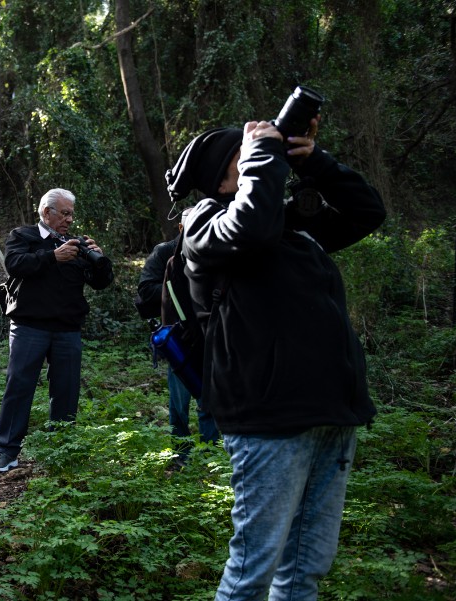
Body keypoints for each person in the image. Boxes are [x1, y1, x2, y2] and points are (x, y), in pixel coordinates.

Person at [165, 117, 385, 600]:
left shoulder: (290, 227)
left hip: (329, 413)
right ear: (224, 179)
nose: (268, 161)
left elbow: (367, 211)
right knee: (252, 574)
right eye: (245, 157)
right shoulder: (204, 227)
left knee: (305, 568)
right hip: (268, 420)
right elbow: (250, 227)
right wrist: (263, 158)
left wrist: (316, 163)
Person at [0, 188, 114, 474]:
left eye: (71, 214)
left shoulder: (74, 244)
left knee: (66, 391)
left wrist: (97, 258)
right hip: (29, 326)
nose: (69, 220)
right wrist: (52, 256)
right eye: (64, 213)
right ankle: (6, 451)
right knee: (19, 388)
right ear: (47, 212)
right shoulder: (24, 236)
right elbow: (15, 264)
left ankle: (61, 450)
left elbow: (100, 283)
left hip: (68, 329)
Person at [136, 207, 219, 446]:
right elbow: (145, 291)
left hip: (208, 335)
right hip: (178, 338)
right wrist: (175, 287)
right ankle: (181, 451)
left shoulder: (212, 252)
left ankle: (209, 452)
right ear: (181, 228)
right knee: (179, 400)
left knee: (206, 399)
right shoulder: (165, 254)